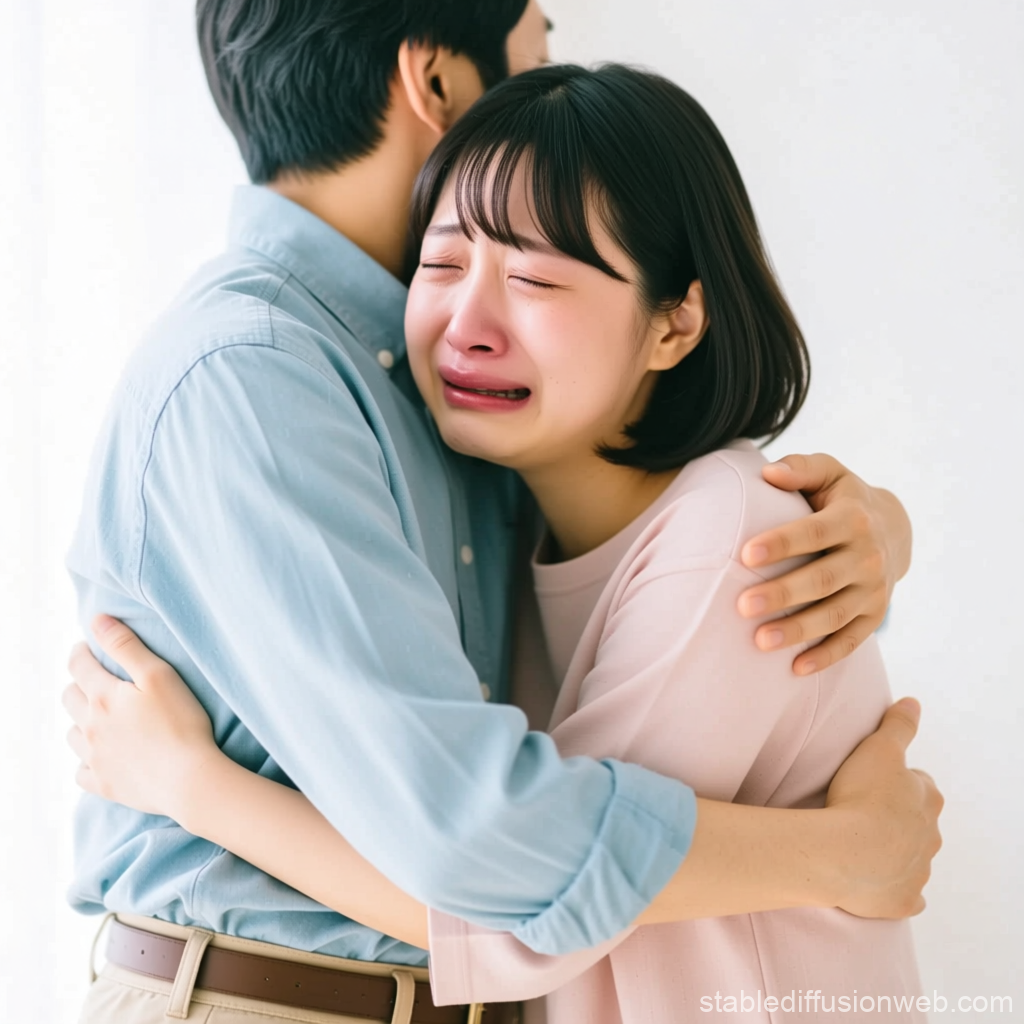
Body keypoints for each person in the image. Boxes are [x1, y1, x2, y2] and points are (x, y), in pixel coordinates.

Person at [63, 5, 938, 1024]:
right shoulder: (260, 372)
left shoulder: (444, 398)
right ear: (436, 84)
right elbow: (493, 851)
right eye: (535, 48)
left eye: (529, 276)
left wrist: (878, 524)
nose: (546, 84)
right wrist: (843, 853)